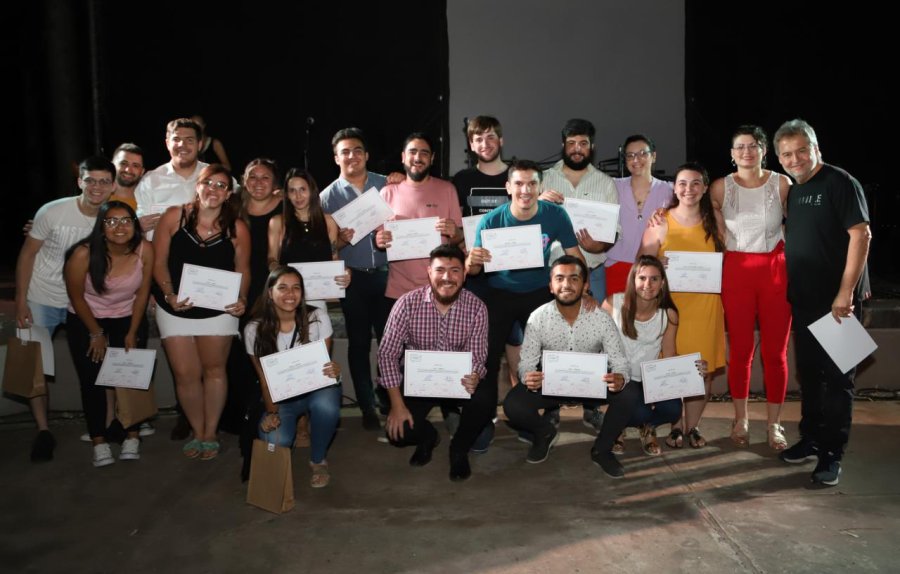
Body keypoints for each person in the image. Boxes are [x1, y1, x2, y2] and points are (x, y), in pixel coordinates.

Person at [775, 119, 871, 486]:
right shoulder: (796, 191)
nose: (795, 159)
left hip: (838, 304)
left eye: (802, 150)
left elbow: (861, 234)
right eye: (787, 154)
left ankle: (832, 453)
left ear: (816, 149)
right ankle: (812, 439)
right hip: (804, 301)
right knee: (811, 377)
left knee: (837, 380)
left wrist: (846, 292)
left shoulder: (840, 182)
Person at [466, 159, 590, 442]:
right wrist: (471, 261)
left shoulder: (555, 215)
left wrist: (585, 289)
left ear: (540, 186)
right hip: (500, 292)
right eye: (519, 183)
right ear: (508, 187)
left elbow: (575, 255)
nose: (526, 190)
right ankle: (484, 420)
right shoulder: (491, 219)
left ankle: (545, 414)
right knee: (486, 360)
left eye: (532, 183)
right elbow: (472, 269)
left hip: (539, 292)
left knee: (549, 357)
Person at [15, 156, 117, 461]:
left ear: (112, 186)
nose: (96, 187)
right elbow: (27, 254)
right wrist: (21, 300)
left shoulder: (112, 217)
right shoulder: (53, 211)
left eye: (103, 181)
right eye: (90, 180)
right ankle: (43, 430)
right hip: (42, 297)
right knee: (35, 366)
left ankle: (110, 421)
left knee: (100, 362)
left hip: (84, 302)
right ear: (79, 182)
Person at [503, 255, 639, 478]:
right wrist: (527, 375)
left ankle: (602, 450)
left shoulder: (601, 319)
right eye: (560, 278)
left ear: (585, 285)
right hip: (552, 385)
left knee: (629, 392)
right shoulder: (538, 318)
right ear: (551, 285)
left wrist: (620, 377)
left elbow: (619, 360)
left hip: (592, 386)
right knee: (513, 404)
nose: (566, 284)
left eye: (574, 278)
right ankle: (544, 433)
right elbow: (526, 360)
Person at [152, 163, 250, 460]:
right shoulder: (174, 216)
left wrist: (242, 297)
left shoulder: (237, 227)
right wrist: (169, 295)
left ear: (229, 194)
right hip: (174, 308)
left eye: (222, 186)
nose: (214, 190)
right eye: (210, 183)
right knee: (185, 375)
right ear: (198, 185)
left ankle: (211, 433)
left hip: (218, 311)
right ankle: (197, 431)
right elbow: (158, 262)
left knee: (214, 371)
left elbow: (242, 268)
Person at [709, 126, 792, 450]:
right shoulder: (720, 187)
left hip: (774, 270)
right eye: (740, 146)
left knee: (775, 352)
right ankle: (740, 418)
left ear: (763, 150)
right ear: (732, 153)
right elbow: (713, 221)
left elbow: (794, 223)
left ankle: (775, 424)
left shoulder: (782, 183)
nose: (747, 151)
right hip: (737, 271)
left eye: (753, 145)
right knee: (741, 350)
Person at [378, 245, 488, 482]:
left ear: (464, 273)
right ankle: (429, 437)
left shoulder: (477, 307)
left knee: (485, 403)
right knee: (398, 433)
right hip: (419, 383)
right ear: (429, 272)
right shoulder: (406, 304)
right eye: (440, 270)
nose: (447, 277)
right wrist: (397, 405)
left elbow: (478, 357)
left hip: (458, 382)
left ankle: (458, 449)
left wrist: (475, 375)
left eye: (455, 270)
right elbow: (386, 355)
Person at [639, 162, 725, 449]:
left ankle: (693, 427)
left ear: (704, 188)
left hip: (706, 306)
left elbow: (730, 256)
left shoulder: (714, 219)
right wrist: (657, 263)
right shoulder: (661, 219)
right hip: (672, 307)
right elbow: (644, 261)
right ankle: (676, 426)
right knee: (673, 365)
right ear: (674, 187)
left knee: (703, 369)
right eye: (683, 183)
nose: (689, 189)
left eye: (696, 183)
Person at [63, 201, 154, 466]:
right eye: (111, 221)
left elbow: (142, 294)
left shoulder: (144, 249)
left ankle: (133, 435)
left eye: (126, 220)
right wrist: (95, 333)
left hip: (127, 316)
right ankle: (99, 440)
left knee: (131, 376)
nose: (119, 227)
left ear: (135, 225)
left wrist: (132, 332)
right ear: (101, 227)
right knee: (92, 380)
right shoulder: (83, 254)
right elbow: (76, 297)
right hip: (86, 318)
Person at [320, 128, 393, 429]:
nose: (352, 156)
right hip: (354, 281)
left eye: (358, 150)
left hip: (389, 275)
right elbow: (322, 247)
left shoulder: (386, 184)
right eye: (345, 151)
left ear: (367, 154)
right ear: (336, 157)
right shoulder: (326, 197)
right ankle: (367, 407)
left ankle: (388, 398)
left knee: (390, 344)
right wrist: (339, 242)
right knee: (359, 344)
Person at [245, 266, 342, 488]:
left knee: (327, 406)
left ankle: (318, 460)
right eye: (283, 288)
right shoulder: (254, 329)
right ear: (270, 293)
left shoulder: (317, 317)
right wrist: (271, 413)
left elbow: (325, 366)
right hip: (282, 399)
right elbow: (264, 377)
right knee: (276, 439)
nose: (290, 294)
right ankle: (291, 426)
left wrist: (335, 371)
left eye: (296, 288)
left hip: (316, 390)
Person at [602, 255, 689, 456]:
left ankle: (647, 427)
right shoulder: (612, 304)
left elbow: (669, 354)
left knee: (673, 408)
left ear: (662, 283)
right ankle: (618, 426)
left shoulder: (668, 314)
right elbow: (596, 345)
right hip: (618, 378)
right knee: (638, 411)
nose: (647, 284)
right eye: (642, 278)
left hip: (648, 378)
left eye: (654, 279)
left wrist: (691, 369)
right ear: (633, 280)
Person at [376, 132, 464, 301]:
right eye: (412, 152)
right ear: (403, 157)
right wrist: (379, 240)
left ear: (432, 158)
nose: (418, 157)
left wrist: (454, 233)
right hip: (398, 290)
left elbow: (458, 239)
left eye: (424, 153)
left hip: (439, 288)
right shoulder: (387, 192)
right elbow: (380, 241)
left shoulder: (447, 190)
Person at [541, 118, 619, 299]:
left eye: (583, 143)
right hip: (552, 273)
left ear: (592, 146)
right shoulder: (544, 179)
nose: (577, 149)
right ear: (563, 145)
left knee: (594, 326)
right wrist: (538, 203)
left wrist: (599, 246)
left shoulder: (606, 183)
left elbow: (615, 231)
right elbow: (527, 220)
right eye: (571, 143)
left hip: (593, 272)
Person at [267, 168, 350, 304]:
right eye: (292, 190)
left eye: (302, 189)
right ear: (287, 194)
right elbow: (271, 258)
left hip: (322, 297)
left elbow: (334, 257)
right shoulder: (277, 222)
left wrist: (345, 272)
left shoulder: (329, 221)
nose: (298, 196)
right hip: (289, 297)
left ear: (311, 191)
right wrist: (276, 268)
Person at [605, 135, 674, 295]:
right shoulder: (612, 186)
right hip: (617, 266)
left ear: (653, 156)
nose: (636, 159)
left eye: (643, 153)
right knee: (618, 317)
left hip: (652, 270)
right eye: (630, 155)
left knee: (649, 318)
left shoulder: (670, 191)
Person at [134, 117, 207, 233]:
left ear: (199, 144)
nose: (182, 144)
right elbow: (140, 225)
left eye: (189, 140)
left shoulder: (214, 176)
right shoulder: (150, 181)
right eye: (176, 139)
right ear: (167, 143)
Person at [237, 158, 283, 311]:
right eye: (253, 177)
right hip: (239, 285)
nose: (258, 182)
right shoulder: (232, 208)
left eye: (265, 177)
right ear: (244, 181)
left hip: (276, 285)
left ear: (275, 183)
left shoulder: (287, 208)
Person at [110, 143, 146, 212]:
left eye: (135, 165)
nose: (128, 170)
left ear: (142, 172)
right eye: (123, 163)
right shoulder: (98, 197)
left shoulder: (147, 201)